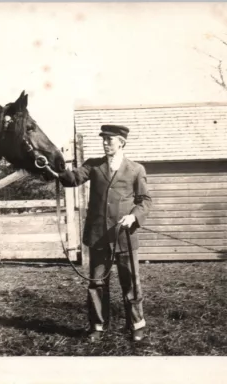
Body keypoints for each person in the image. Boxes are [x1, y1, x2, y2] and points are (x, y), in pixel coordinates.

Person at [55, 124, 152, 342]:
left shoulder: (136, 169)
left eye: (110, 139)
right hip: (98, 237)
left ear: (121, 142)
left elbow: (144, 200)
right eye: (104, 139)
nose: (105, 143)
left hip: (124, 237)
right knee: (96, 283)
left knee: (131, 282)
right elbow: (72, 179)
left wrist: (134, 216)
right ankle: (97, 326)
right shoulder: (93, 165)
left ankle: (137, 324)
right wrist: (54, 165)